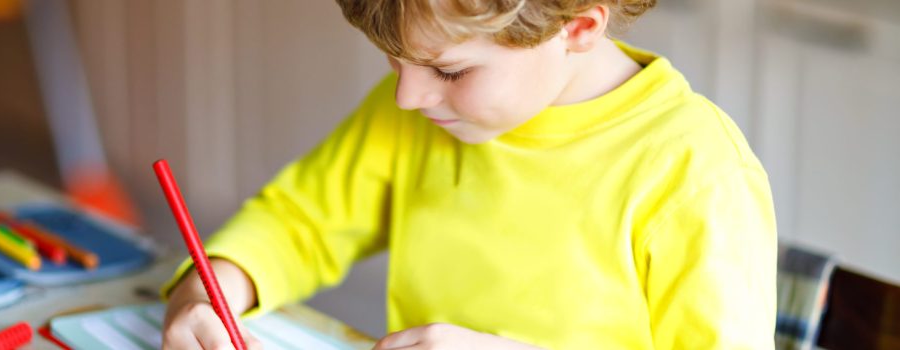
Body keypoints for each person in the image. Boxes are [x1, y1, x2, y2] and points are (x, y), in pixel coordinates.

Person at [162, 0, 777, 348]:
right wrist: (212, 289)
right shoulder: (420, 110)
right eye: (394, 62)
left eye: (449, 71)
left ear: (580, 28)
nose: (407, 97)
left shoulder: (696, 173)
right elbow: (303, 222)